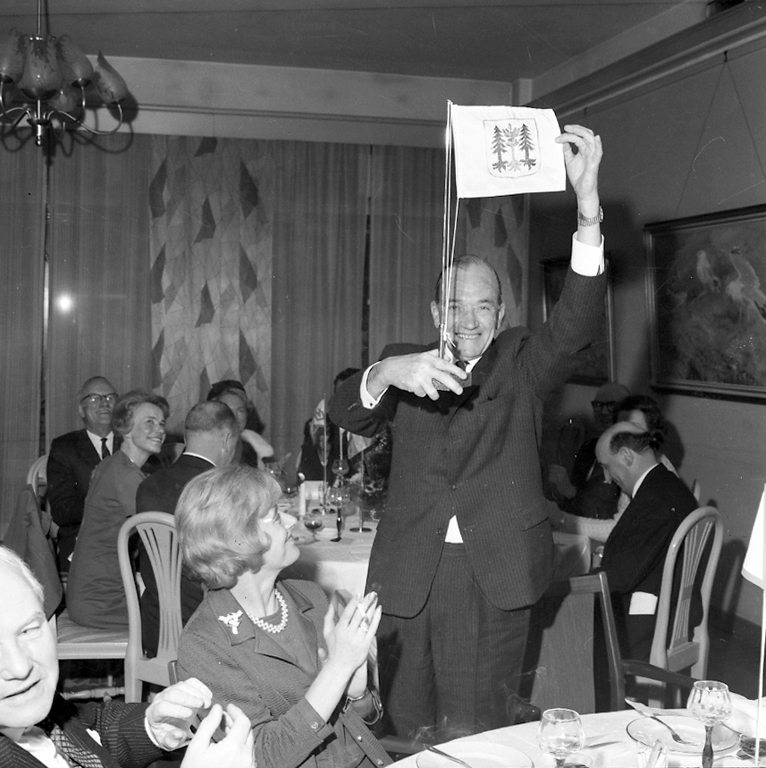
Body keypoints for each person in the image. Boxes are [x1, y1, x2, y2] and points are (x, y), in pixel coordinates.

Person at [328, 125, 605, 740]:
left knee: (477, 734)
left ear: (501, 315)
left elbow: (576, 324)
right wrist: (385, 373)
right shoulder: (405, 364)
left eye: (483, 307)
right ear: (436, 314)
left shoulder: (522, 363)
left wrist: (587, 206)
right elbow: (345, 411)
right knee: (403, 730)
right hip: (409, 573)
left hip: (493, 573)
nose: (469, 321)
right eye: (455, 306)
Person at [176, 465, 392, 768]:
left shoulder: (311, 597)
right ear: (239, 540)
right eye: (277, 517)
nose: (292, 521)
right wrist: (339, 668)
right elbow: (260, 758)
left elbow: (368, 726)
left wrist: (357, 693)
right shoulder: (204, 644)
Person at [0, 545, 256, 768]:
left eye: (28, 630)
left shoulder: (35, 709)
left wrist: (151, 728)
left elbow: (92, 726)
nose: (20, 667)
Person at [135, 400, 239, 657]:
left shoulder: (148, 484)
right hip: (209, 633)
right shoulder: (223, 491)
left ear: (185, 437)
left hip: (155, 628)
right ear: (227, 440)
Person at [67, 390, 169, 630]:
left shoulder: (112, 464)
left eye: (162, 423)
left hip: (88, 595)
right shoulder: (127, 476)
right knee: (181, 617)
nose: (159, 430)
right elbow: (163, 540)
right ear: (125, 429)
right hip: (102, 602)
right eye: (149, 422)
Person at [597, 420, 699, 659]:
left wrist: (573, 582)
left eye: (606, 467)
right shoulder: (667, 486)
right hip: (669, 611)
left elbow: (621, 576)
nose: (607, 478)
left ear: (626, 456)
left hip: (648, 628)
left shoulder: (654, 500)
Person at [556, 393, 679, 542]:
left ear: (651, 434)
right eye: (619, 431)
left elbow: (617, 530)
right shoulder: (633, 468)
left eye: (634, 428)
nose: (624, 439)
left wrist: (562, 520)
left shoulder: (654, 471)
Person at [47, 376, 121, 571]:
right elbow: (61, 511)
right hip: (81, 541)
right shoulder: (65, 447)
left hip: (127, 540)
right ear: (81, 410)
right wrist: (105, 503)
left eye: (110, 398)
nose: (104, 403)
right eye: (95, 398)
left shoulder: (131, 443)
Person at [547, 381, 631, 521]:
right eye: (598, 405)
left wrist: (570, 491)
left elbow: (612, 513)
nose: (604, 412)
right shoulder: (588, 448)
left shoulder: (628, 455)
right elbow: (571, 503)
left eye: (611, 405)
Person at [208, 382, 274, 468]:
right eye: (229, 410)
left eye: (241, 410)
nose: (235, 416)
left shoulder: (250, 449)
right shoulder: (206, 446)